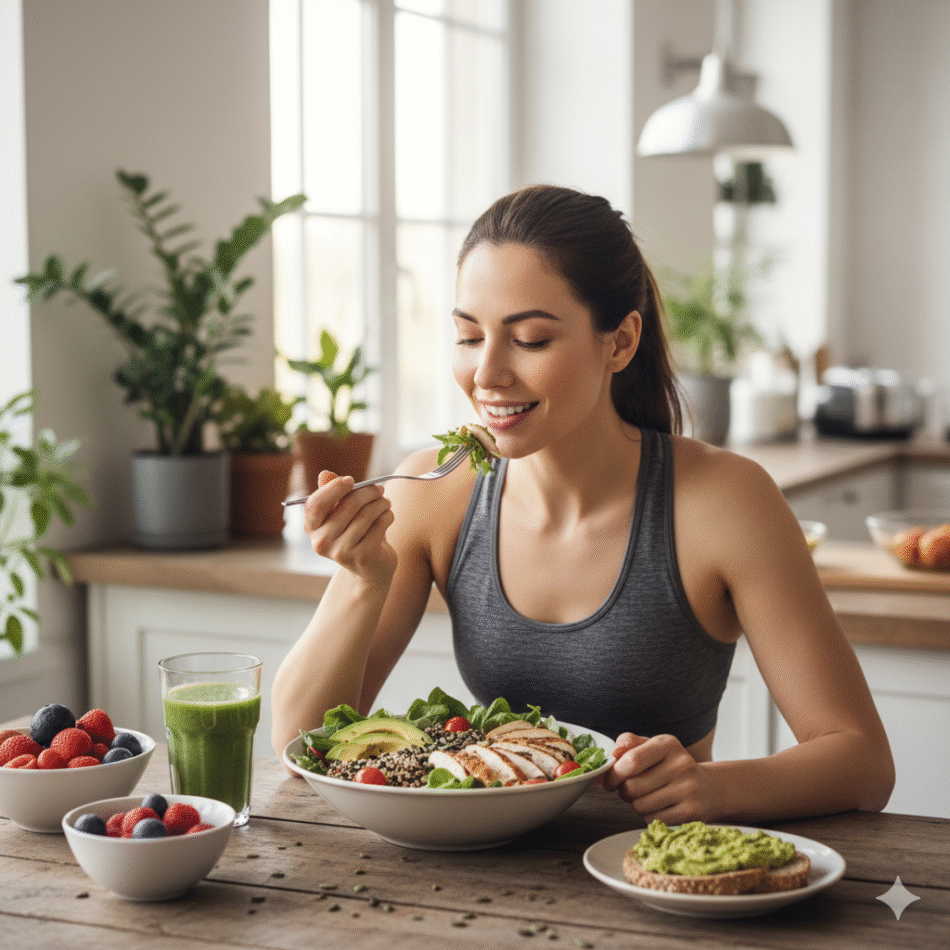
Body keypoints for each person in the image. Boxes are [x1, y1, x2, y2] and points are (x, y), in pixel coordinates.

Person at [271, 184, 894, 824]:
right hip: (484, 877)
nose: (486, 373)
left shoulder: (724, 501)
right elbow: (296, 739)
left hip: (656, 873)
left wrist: (711, 788)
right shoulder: (437, 491)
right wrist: (360, 581)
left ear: (620, 343)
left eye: (531, 339)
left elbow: (862, 761)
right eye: (468, 336)